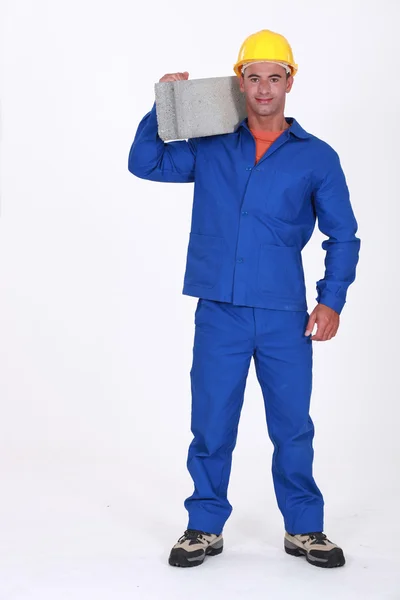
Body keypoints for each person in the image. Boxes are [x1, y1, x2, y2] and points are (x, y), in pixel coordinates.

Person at [128, 29, 360, 570]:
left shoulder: (317, 158)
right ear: (241, 82)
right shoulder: (210, 146)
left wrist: (331, 301)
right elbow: (145, 162)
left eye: (273, 77)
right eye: (253, 77)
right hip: (220, 312)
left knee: (292, 425)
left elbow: (343, 235)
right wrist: (160, 103)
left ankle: (305, 529)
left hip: (284, 315)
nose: (263, 88)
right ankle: (203, 527)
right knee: (210, 422)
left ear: (289, 82)